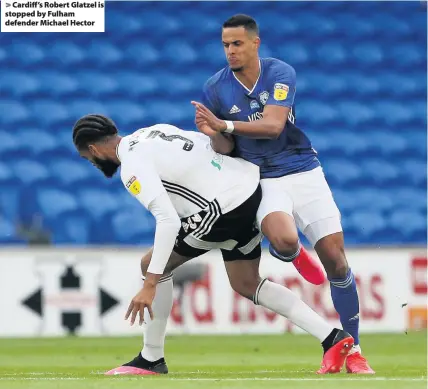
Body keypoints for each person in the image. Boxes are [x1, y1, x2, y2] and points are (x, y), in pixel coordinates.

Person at [72, 114, 354, 375]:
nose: (92, 162)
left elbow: (167, 221)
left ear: (94, 151)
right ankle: (332, 337)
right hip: (250, 188)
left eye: (87, 158)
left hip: (224, 209)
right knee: (245, 282)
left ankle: (151, 358)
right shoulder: (154, 131)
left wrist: (149, 285)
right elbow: (209, 147)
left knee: (151, 266)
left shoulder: (131, 167)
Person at [191, 14, 374, 374]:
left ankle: (354, 350)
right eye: (226, 44)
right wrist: (213, 133)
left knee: (336, 261)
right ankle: (293, 254)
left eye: (237, 43)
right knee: (286, 240)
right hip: (261, 179)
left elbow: (273, 126)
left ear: (255, 43)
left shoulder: (279, 73)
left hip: (304, 170)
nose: (230, 51)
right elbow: (227, 148)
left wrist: (224, 123)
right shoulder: (215, 87)